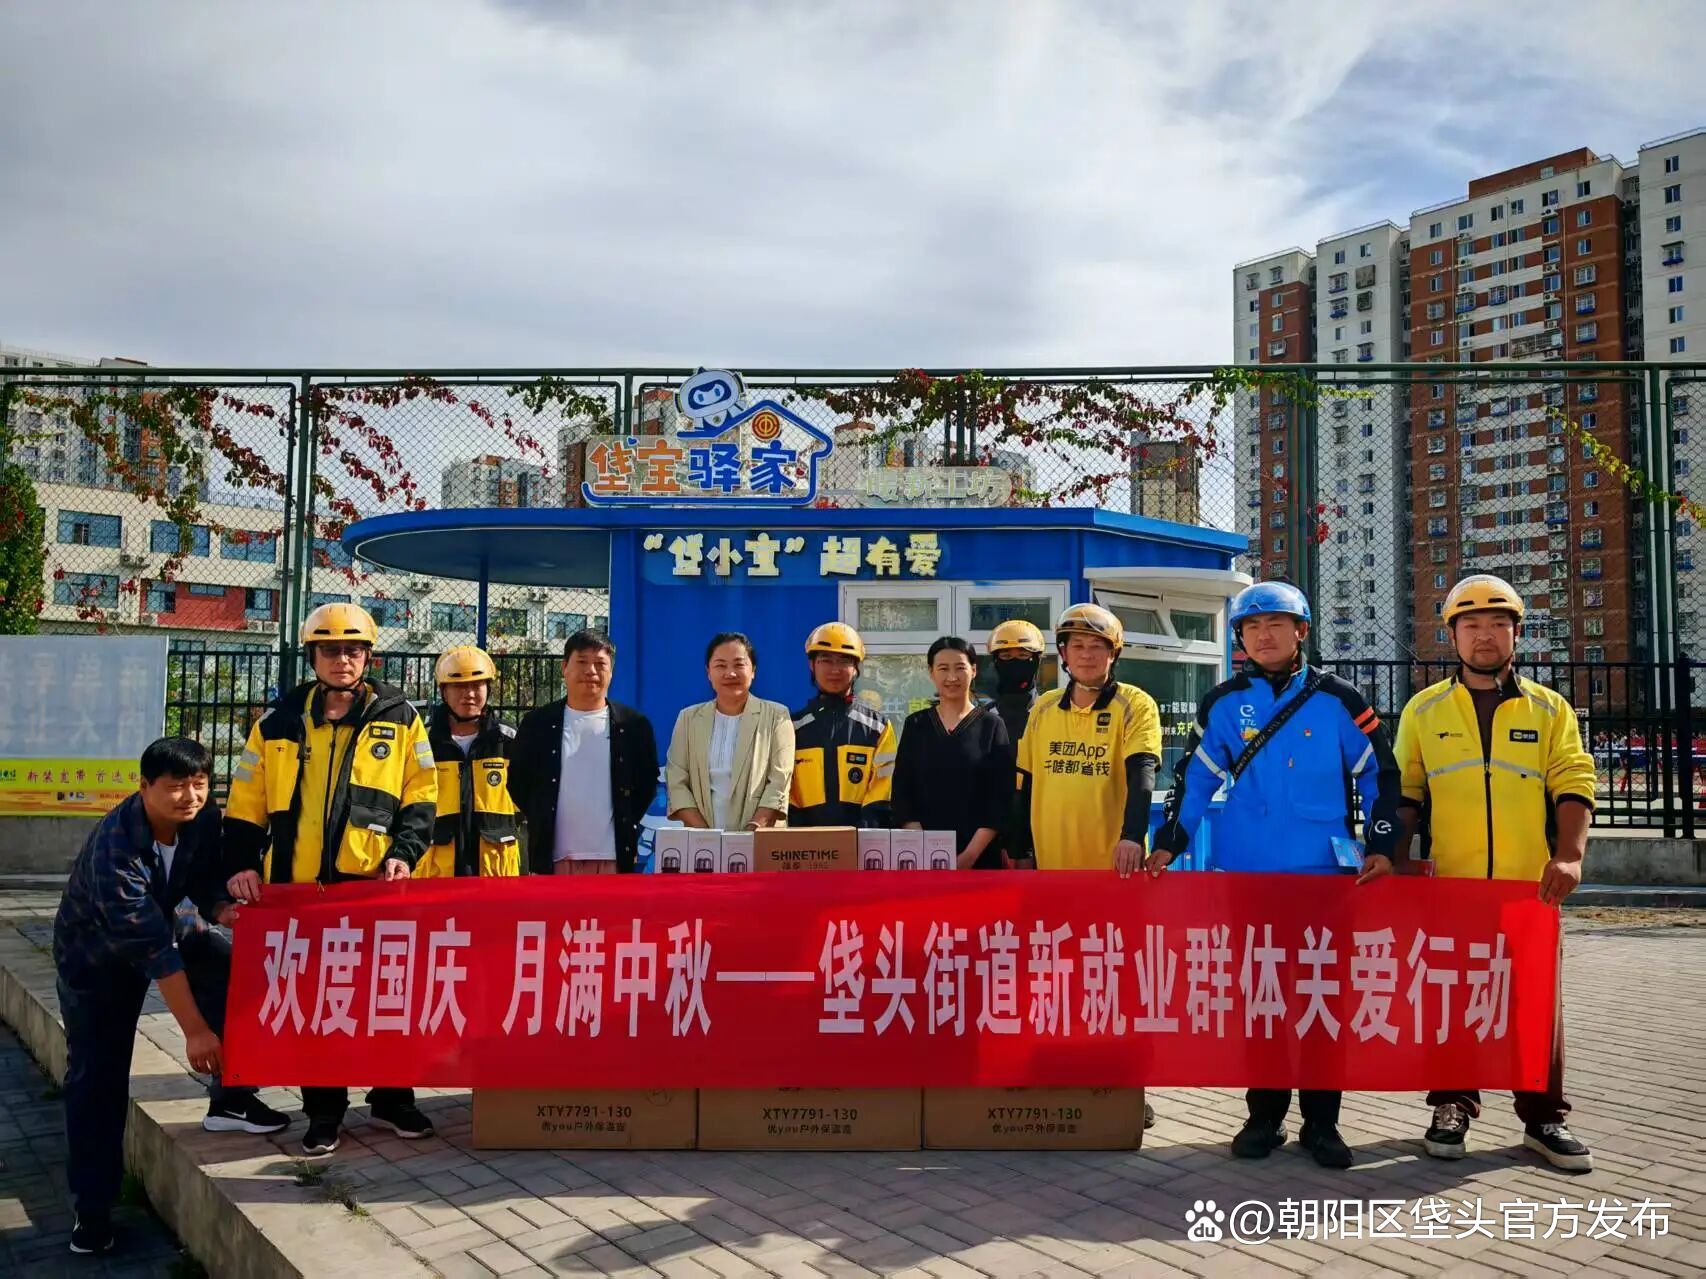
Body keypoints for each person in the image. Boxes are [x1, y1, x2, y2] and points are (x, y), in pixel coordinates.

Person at [1149, 581, 1403, 1171]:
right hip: (1249, 874)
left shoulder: (1338, 699)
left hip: (1323, 876)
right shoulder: (1223, 703)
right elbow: (1194, 779)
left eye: (1276, 624)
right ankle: (1263, 1116)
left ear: (1301, 631)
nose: (1263, 636)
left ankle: (1323, 1122)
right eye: (1251, 626)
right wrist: (1169, 842)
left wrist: (1383, 844)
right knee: (1259, 996)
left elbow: (1380, 774)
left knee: (1322, 996)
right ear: (1239, 637)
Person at [1393, 574, 1597, 1173]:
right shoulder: (1425, 710)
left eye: (1497, 624)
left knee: (1534, 1004)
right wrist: (1395, 858)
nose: (1485, 635)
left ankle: (1544, 1118)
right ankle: (1452, 1105)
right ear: (1452, 635)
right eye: (1472, 624)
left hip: (1527, 888)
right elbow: (1405, 790)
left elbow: (1574, 781)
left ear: (1516, 633)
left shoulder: (1549, 709)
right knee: (1452, 996)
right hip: (1453, 886)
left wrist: (1570, 855)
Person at [54, 738, 288, 1256]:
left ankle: (231, 1100)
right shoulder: (116, 850)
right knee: (97, 1078)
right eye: (177, 786)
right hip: (96, 959)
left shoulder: (202, 819)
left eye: (199, 784)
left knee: (231, 973)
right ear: (144, 787)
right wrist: (195, 1031)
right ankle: (91, 1210)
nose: (190, 796)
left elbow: (202, 877)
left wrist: (221, 908)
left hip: (166, 922)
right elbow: (155, 954)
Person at [223, 602, 438, 1156]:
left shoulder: (401, 716)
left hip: (371, 887)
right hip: (297, 891)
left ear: (368, 656)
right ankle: (323, 1111)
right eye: (330, 650)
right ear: (312, 656)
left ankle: (392, 1098)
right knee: (317, 1002)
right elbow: (245, 802)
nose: (342, 659)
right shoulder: (277, 722)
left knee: (385, 996)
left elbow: (421, 795)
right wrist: (241, 863)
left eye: (353, 650)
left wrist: (405, 854)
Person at [1013, 603, 1161, 873]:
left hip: (1118, 865)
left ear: (1113, 653)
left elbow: (1142, 775)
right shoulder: (1044, 708)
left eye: (1096, 646)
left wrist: (1132, 836)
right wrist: (1022, 851)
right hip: (1052, 863)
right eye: (1077, 646)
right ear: (1064, 653)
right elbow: (1026, 783)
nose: (1086, 655)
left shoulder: (1136, 704)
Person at [510, 629, 659, 875]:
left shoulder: (633, 725)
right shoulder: (538, 724)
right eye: (582, 662)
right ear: (564, 668)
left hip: (612, 858)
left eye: (600, 664)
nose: (591, 671)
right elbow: (518, 782)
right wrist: (542, 815)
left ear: (611, 671)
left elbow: (646, 783)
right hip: (553, 860)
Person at [892, 637, 1016, 869]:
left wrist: (969, 856)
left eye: (960, 668)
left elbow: (1000, 798)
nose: (952, 677)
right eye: (943, 668)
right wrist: (924, 849)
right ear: (931, 672)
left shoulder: (991, 725)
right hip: (923, 861)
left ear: (974, 670)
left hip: (980, 860)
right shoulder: (916, 725)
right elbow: (902, 792)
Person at [667, 632, 794, 830]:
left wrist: (751, 833)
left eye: (738, 665)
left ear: (753, 670)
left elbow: (780, 781)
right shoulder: (688, 719)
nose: (730, 673)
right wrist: (707, 837)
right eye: (720, 666)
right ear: (708, 672)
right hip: (703, 839)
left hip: (761, 837)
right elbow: (677, 781)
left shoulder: (777, 716)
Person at [418, 645, 521, 878]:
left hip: (495, 869)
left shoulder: (508, 739)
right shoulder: (424, 742)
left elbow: (528, 800)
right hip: (437, 871)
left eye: (477, 685)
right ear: (443, 691)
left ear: (488, 688)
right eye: (459, 686)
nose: (469, 693)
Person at [789, 622, 896, 828]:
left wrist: (865, 829)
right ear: (812, 665)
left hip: (863, 840)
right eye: (825, 660)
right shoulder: (792, 728)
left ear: (856, 668)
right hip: (804, 840)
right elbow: (785, 788)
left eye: (844, 661)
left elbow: (884, 786)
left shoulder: (878, 728)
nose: (835, 669)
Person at [987, 618, 1046, 747]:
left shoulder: (1050, 714)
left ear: (1037, 661)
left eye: (1023, 655)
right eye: (1006, 656)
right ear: (996, 662)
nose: (1014, 663)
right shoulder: (983, 719)